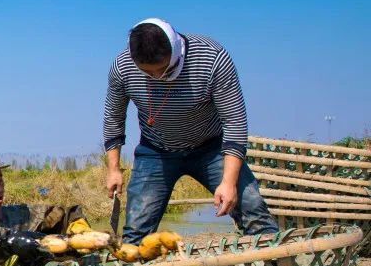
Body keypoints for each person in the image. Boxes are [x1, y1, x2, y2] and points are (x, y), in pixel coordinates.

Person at [103, 18, 278, 244]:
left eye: (163, 70)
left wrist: (228, 182)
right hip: (155, 152)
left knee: (253, 211)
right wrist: (114, 168)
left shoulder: (212, 58)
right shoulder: (122, 66)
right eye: (148, 73)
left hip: (211, 148)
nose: (157, 78)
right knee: (136, 233)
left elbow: (234, 122)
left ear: (175, 50)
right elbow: (113, 117)